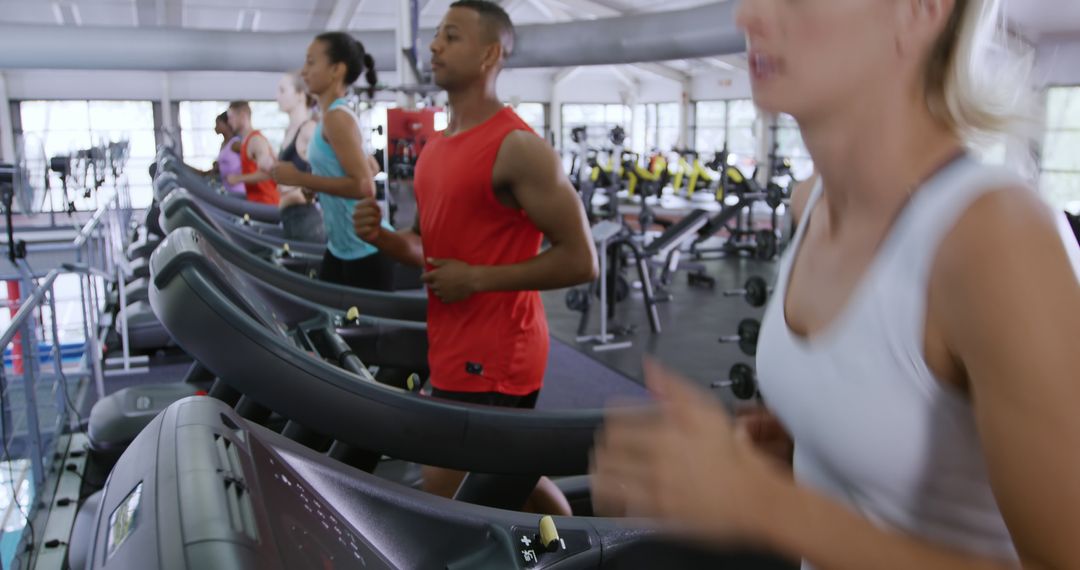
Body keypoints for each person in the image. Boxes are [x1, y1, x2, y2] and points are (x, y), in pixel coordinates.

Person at [591, 0, 1080, 568]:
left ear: (920, 10)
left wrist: (767, 504)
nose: (747, 17)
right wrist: (791, 452)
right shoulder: (812, 201)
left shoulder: (996, 241)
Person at [352, 0, 598, 515]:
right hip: (451, 340)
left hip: (499, 353)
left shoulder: (518, 148)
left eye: (451, 36)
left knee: (449, 480)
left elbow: (581, 260)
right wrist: (386, 240)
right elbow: (428, 246)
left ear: (489, 55)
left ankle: (562, 545)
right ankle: (566, 545)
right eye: (436, 35)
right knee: (499, 480)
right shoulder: (436, 149)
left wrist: (478, 279)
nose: (434, 46)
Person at [271, 32, 395, 289]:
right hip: (341, 246)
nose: (304, 71)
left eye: (311, 62)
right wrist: (312, 186)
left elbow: (364, 186)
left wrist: (301, 178)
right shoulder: (327, 118)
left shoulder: (336, 117)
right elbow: (367, 168)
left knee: (356, 325)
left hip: (364, 247)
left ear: (336, 70)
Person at [275, 72, 326, 243]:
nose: (278, 97)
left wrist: (303, 189)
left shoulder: (308, 129)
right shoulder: (289, 130)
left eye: (282, 91)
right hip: (290, 216)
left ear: (299, 95)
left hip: (305, 219)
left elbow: (329, 171)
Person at [225, 100, 280, 206]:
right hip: (256, 202)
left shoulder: (256, 140)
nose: (229, 122)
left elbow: (269, 173)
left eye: (231, 117)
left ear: (243, 115)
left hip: (268, 203)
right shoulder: (245, 141)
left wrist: (238, 178)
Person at [196, 112, 244, 196]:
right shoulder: (224, 144)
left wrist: (238, 177)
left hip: (238, 191)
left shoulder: (236, 144)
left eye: (218, 124)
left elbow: (251, 162)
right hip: (227, 190)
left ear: (227, 124)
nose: (215, 127)